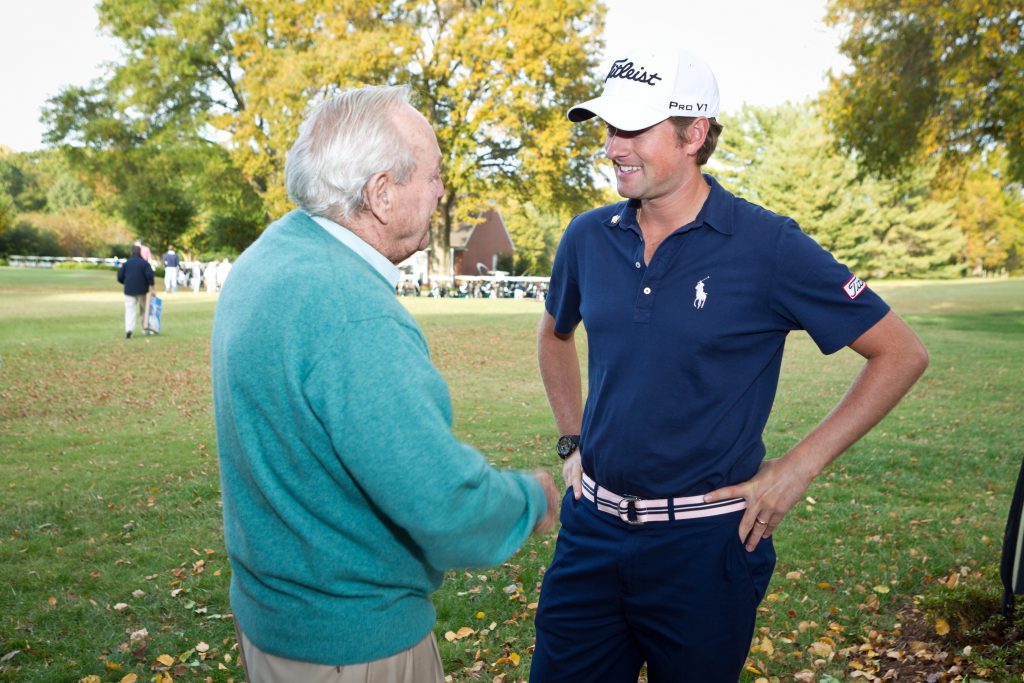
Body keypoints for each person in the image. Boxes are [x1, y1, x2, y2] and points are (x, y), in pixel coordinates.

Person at [530, 45, 930, 682]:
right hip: (590, 536)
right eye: (609, 128)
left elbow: (901, 352)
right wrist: (571, 440)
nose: (612, 147)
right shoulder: (587, 236)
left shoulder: (768, 245)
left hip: (707, 550)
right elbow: (555, 336)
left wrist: (797, 468)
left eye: (633, 129)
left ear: (694, 133)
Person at [211, 85, 560, 683]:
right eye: (431, 175)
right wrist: (532, 500)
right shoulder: (349, 310)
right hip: (351, 644)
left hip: (278, 623)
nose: (441, 190)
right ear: (381, 193)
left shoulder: (274, 256)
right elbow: (442, 504)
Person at [116, 244, 154, 339]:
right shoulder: (144, 263)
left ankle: (129, 329)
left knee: (130, 310)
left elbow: (119, 276)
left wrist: (125, 282)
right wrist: (152, 288)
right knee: (144, 310)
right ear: (140, 252)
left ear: (131, 252)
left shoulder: (126, 264)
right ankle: (145, 328)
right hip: (142, 290)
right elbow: (150, 276)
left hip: (129, 290)